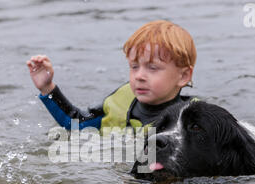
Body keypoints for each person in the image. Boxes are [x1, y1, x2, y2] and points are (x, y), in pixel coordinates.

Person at [27, 20, 198, 134]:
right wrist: (47, 88)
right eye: (134, 67)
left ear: (183, 76)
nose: (139, 76)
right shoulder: (120, 101)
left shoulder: (195, 119)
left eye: (152, 68)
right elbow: (76, 125)